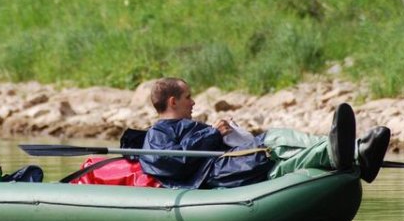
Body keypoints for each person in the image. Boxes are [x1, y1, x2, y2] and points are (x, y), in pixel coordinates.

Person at [139, 77, 390, 189]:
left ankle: (351, 153)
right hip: (214, 172)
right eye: (188, 97)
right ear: (172, 101)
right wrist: (213, 134)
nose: (193, 102)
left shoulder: (194, 125)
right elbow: (172, 163)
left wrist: (232, 133)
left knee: (280, 160)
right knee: (275, 142)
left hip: (229, 162)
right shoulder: (157, 134)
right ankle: (349, 150)